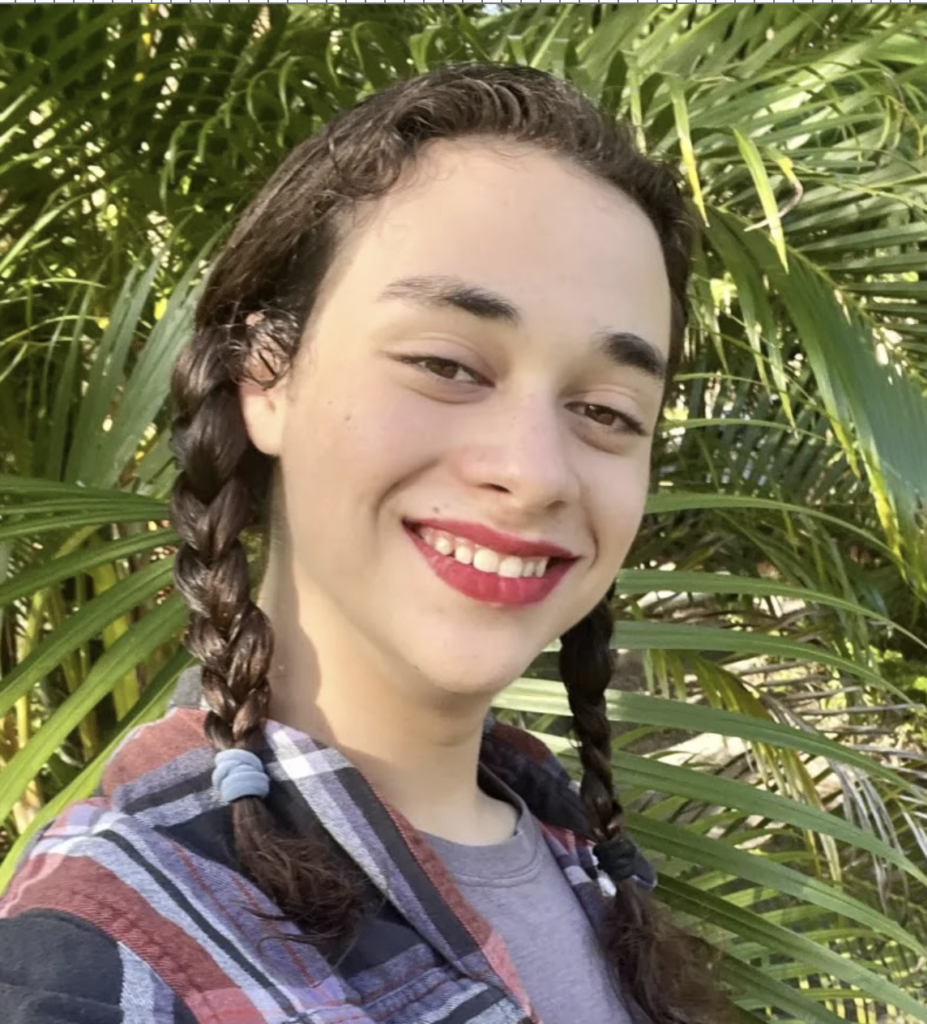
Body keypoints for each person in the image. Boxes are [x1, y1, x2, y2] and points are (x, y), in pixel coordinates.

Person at [0, 63, 733, 1024]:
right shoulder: (101, 961)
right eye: (445, 364)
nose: (538, 471)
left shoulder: (571, 858)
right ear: (266, 375)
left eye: (605, 410)